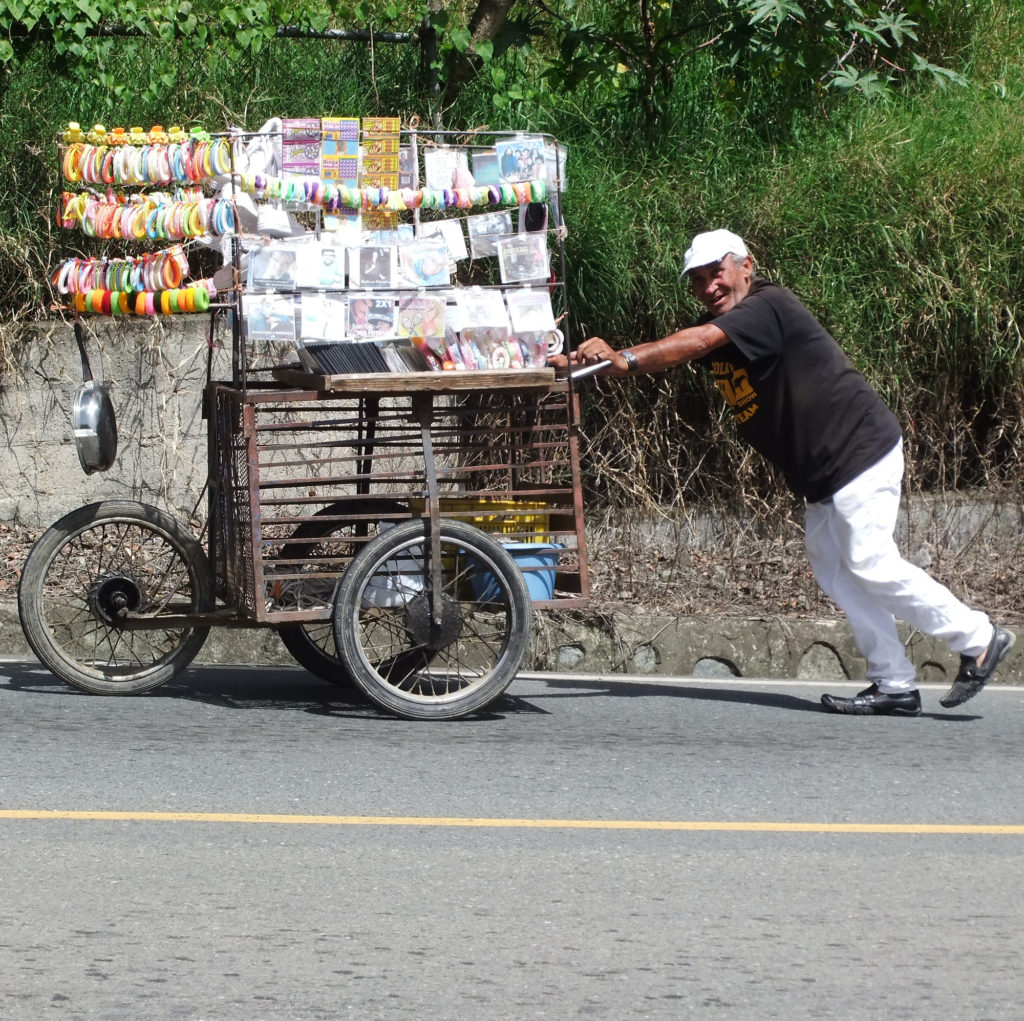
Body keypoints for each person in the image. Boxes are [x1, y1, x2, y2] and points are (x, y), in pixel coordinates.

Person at [555, 229, 1014, 715]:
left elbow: (693, 343)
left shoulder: (767, 306)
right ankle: (894, 683)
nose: (709, 286)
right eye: (698, 280)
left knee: (870, 562)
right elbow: (675, 347)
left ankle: (980, 638)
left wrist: (622, 359)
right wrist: (571, 364)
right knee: (836, 571)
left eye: (717, 273)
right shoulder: (728, 326)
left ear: (746, 267)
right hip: (822, 473)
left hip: (857, 451)